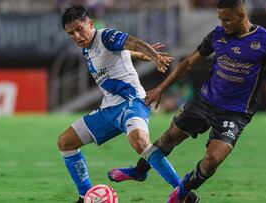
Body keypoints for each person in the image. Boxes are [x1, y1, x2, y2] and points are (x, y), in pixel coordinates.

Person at [108, 0, 266, 202]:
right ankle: (139, 171)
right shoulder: (217, 35)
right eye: (220, 19)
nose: (223, 24)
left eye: (227, 19)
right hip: (205, 102)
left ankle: (182, 191)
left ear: (241, 16)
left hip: (236, 112)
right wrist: (161, 88)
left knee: (213, 158)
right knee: (169, 138)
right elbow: (188, 62)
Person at [57, 5, 186, 203]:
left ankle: (182, 192)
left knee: (140, 142)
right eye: (71, 33)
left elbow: (133, 42)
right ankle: (85, 196)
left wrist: (154, 56)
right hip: (108, 109)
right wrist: (140, 56)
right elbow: (122, 52)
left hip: (131, 103)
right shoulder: (88, 48)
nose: (77, 36)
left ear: (90, 23)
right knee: (65, 142)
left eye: (79, 29)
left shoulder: (106, 36)